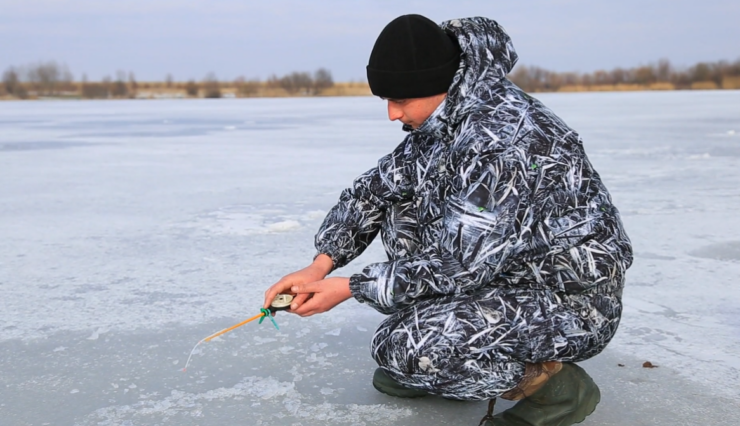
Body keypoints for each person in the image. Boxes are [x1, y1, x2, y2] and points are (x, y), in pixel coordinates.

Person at [263, 14, 632, 426]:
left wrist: (351, 287)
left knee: (408, 349)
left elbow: (460, 265)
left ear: (438, 86)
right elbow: (373, 190)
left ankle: (553, 389)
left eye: (400, 100)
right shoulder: (444, 122)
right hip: (500, 274)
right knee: (399, 207)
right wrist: (321, 264)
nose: (391, 114)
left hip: (569, 302)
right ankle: (436, 355)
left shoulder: (506, 143)